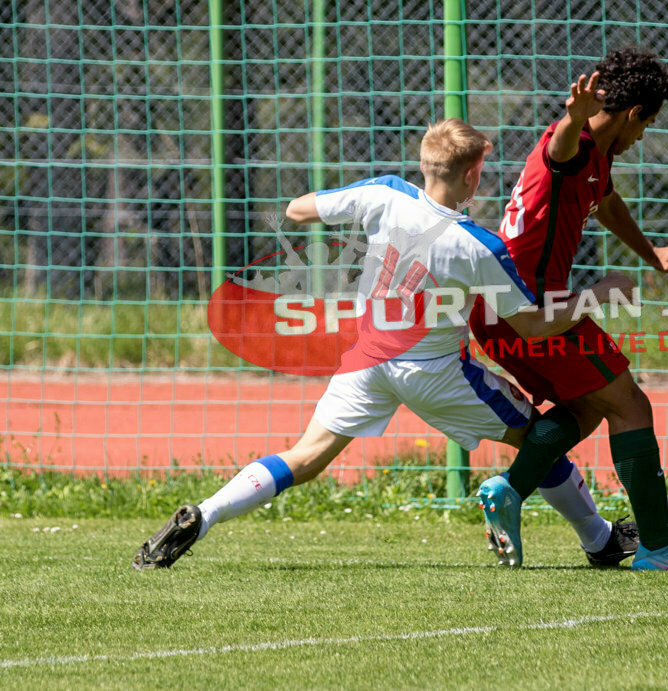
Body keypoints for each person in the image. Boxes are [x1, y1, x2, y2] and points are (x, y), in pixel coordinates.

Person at [132, 119, 638, 570]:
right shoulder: (479, 246)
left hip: (366, 362)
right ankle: (598, 540)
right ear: (471, 177)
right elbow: (531, 326)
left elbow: (296, 209)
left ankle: (204, 515)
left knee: (306, 457)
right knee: (539, 441)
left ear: (424, 165)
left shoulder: (384, 194)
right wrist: (597, 295)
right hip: (437, 373)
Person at [470, 49, 668, 570]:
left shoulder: (600, 157)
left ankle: (511, 488)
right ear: (633, 114)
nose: (643, 136)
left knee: (588, 407)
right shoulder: (576, 142)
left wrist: (651, 254)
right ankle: (657, 547)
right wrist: (573, 116)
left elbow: (605, 203)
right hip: (533, 312)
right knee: (631, 405)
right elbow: (560, 149)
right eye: (647, 124)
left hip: (505, 310)